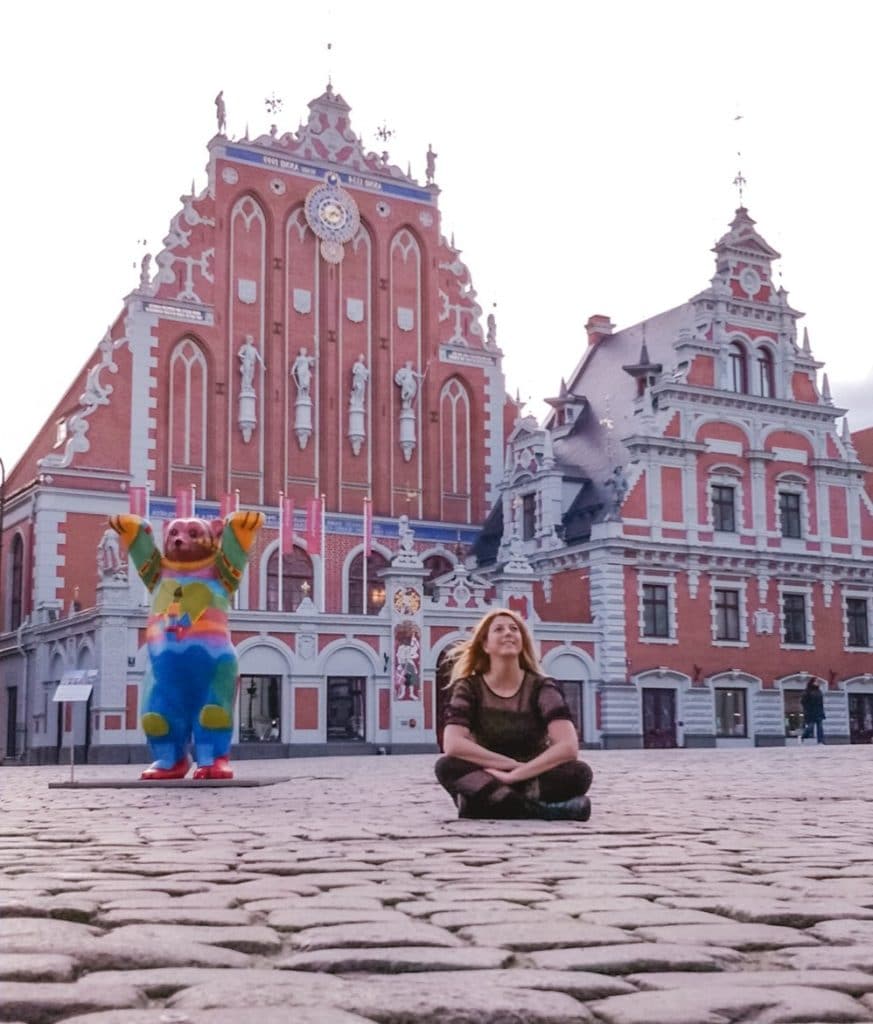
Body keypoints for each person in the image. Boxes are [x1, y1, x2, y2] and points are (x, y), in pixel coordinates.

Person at [435, 607, 593, 820]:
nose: (508, 633)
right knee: (447, 766)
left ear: (523, 642)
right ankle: (545, 811)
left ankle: (483, 804)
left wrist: (518, 774)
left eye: (514, 629)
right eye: (498, 629)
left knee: (579, 773)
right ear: (485, 644)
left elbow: (568, 747)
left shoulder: (542, 687)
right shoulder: (469, 687)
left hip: (532, 772)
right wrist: (508, 766)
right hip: (489, 770)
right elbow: (453, 745)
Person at [800, 678, 826, 743]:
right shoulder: (807, 691)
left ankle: (820, 741)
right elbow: (803, 702)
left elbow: (821, 702)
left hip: (819, 712)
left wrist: (822, 711)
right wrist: (807, 710)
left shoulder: (819, 691)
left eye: (818, 682)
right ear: (812, 683)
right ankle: (804, 735)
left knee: (820, 727)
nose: (817, 683)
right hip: (810, 712)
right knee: (810, 727)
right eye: (816, 682)